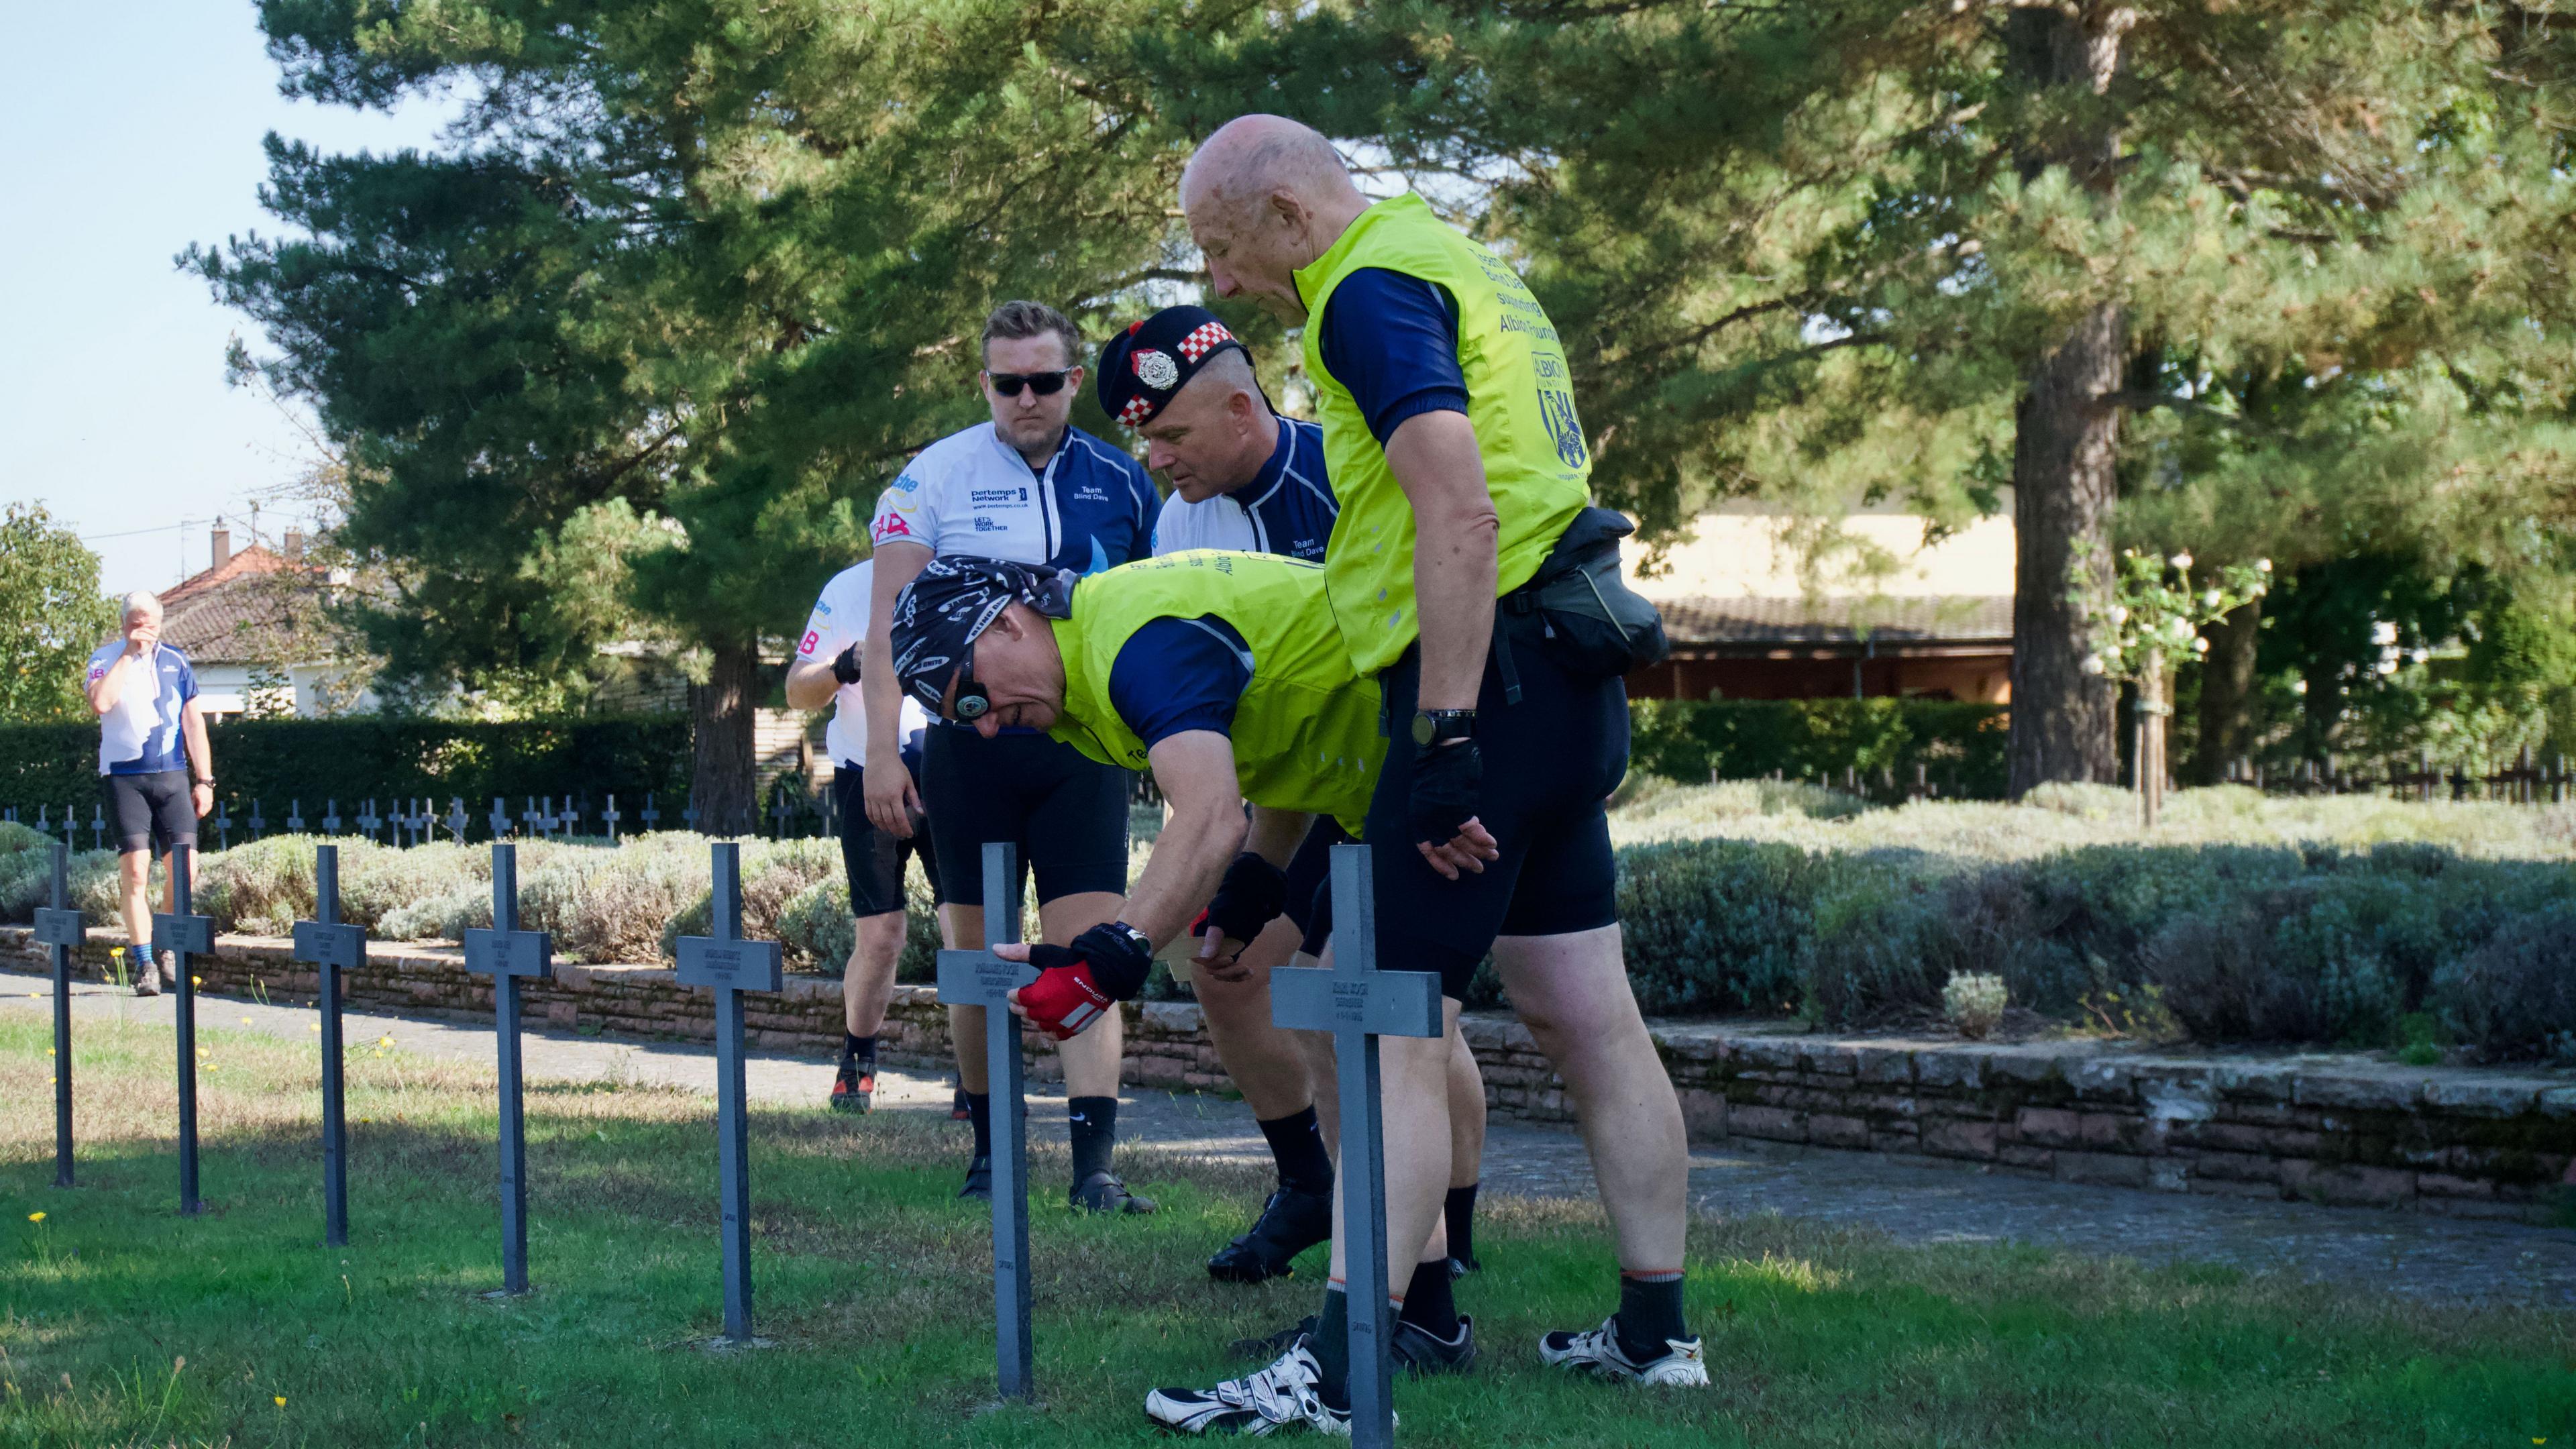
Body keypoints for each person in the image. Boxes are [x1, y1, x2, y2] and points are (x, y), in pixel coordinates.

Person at [1138, 116, 1706, 1434]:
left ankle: (1343, 1371)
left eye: (1223, 250)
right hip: (1566, 680)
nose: (1221, 285)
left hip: (1486, 689)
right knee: (1586, 1012)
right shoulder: (1458, 260)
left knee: (1369, 1021)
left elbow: (1457, 505)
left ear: (1284, 211)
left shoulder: (1367, 290)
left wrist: (1443, 740)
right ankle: (1655, 1333)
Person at [890, 549, 1494, 1386]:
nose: (987, 726)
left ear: (1008, 621)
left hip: (1443, 746)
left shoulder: (1133, 644)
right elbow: (1287, 721)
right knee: (1359, 1020)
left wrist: (1114, 953)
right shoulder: (1085, 675)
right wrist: (1258, 874)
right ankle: (1425, 1319)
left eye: (977, 697)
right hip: (1380, 769)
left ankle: (1387, 1333)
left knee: (1413, 1035)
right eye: (965, 722)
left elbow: (1208, 813)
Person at [1099, 304, 1491, 1287]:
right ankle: (1310, 1186)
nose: (1157, 460)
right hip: (1288, 787)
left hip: (1396, 770)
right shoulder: (1180, 515)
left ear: (1242, 409)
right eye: (1145, 441)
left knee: (1397, 1009)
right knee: (1226, 967)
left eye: (1173, 436)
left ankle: (1449, 1235)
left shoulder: (1351, 477)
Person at [858, 299, 1163, 1213]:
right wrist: (883, 752)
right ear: (982, 383)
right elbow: (883, 634)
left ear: (1075, 380)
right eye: (1006, 382)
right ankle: (990, 1153)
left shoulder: (1123, 480)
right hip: (968, 749)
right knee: (977, 955)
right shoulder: (931, 480)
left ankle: (1094, 1169)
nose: (1025, 399)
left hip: (1082, 747)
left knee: (1086, 947)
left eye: (1044, 380)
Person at [786, 556, 935, 1114]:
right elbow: (798, 690)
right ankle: (857, 1060)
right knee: (880, 937)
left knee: (966, 930)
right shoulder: (847, 587)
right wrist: (844, 666)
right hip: (863, 774)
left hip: (952, 771)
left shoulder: (961, 571)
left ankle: (980, 1079)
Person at [83, 591, 213, 997]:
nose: (145, 632)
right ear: (124, 623)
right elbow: (101, 703)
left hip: (172, 776)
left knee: (184, 871)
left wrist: (204, 780)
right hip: (126, 778)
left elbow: (194, 724)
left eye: (151, 625)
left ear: (161, 623)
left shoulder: (176, 661)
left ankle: (165, 946)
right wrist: (128, 654)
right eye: (137, 623)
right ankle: (143, 963)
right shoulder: (104, 659)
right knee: (137, 871)